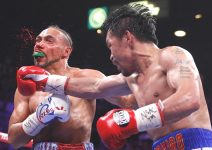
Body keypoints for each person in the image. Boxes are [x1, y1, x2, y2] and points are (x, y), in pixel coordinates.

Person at [16, 4, 212, 150]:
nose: (111, 56)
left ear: (127, 38)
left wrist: (135, 119)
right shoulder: (132, 79)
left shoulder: (174, 55)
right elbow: (96, 87)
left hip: (195, 144)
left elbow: (190, 99)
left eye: (111, 46)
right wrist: (46, 82)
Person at [9, 25, 137, 150]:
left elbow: (128, 101)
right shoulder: (27, 87)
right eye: (38, 40)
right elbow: (14, 140)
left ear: (66, 52)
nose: (39, 44)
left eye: (49, 40)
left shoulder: (88, 76)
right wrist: (38, 118)